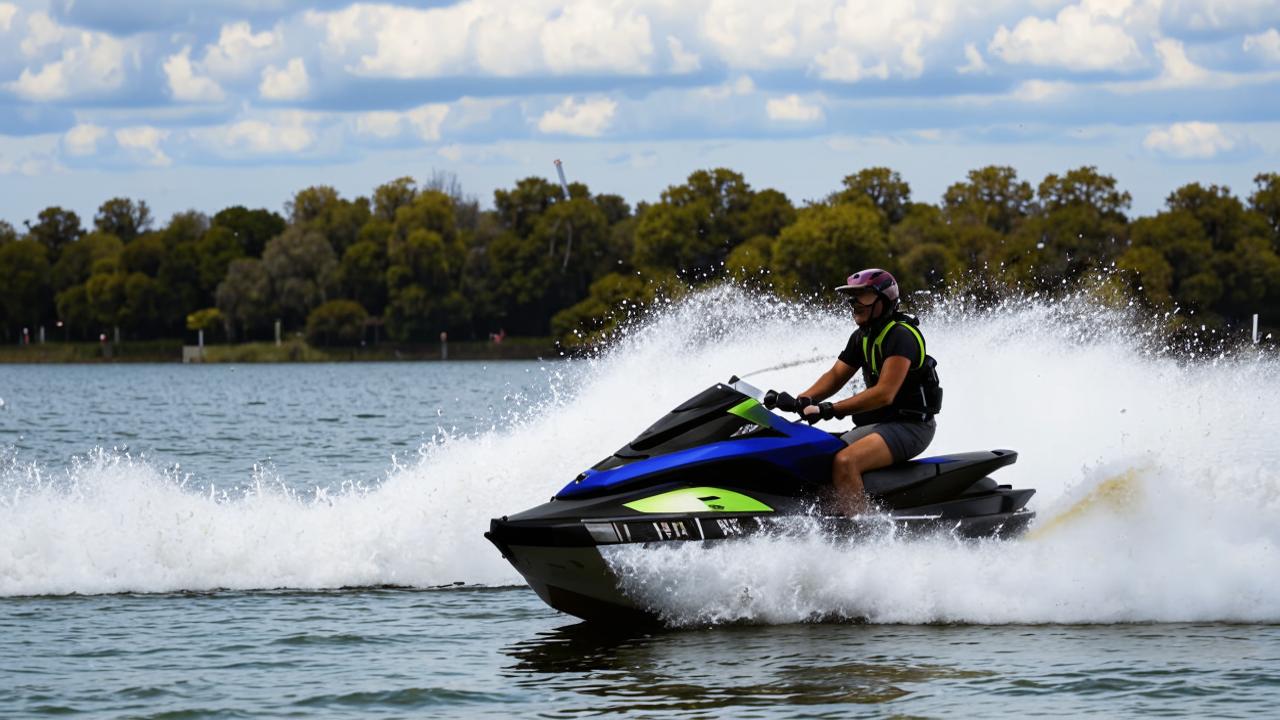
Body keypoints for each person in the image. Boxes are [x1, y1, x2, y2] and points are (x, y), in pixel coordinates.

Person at [789, 269, 941, 515]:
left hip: (912, 427)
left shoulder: (902, 335)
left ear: (884, 301)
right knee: (819, 456)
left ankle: (864, 532)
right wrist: (803, 398)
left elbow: (884, 394)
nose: (855, 304)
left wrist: (830, 409)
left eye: (864, 296)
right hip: (882, 424)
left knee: (845, 462)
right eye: (852, 297)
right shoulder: (862, 337)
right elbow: (836, 376)